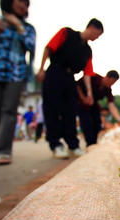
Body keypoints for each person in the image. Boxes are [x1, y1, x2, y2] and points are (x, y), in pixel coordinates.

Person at [0, 0, 36, 165]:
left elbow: (31, 46)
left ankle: (3, 150)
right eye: (20, 1)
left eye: (26, 3)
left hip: (16, 74)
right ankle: (1, 136)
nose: (23, 5)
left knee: (9, 110)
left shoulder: (28, 28)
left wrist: (18, 26)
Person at [36, 18, 103, 159]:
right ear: (92, 27)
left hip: (70, 78)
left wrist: (89, 92)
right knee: (52, 109)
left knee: (71, 111)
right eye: (98, 34)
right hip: (55, 72)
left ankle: (73, 145)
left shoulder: (87, 51)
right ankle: (56, 145)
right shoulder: (67, 33)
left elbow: (87, 73)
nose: (97, 38)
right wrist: (41, 69)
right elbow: (48, 48)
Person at [77, 70, 120, 146]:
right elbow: (78, 86)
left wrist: (119, 119)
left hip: (94, 103)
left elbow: (111, 105)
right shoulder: (93, 77)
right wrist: (83, 98)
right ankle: (90, 143)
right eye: (111, 82)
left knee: (97, 122)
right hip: (82, 102)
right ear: (107, 77)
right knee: (86, 122)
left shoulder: (108, 90)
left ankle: (94, 142)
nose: (112, 84)